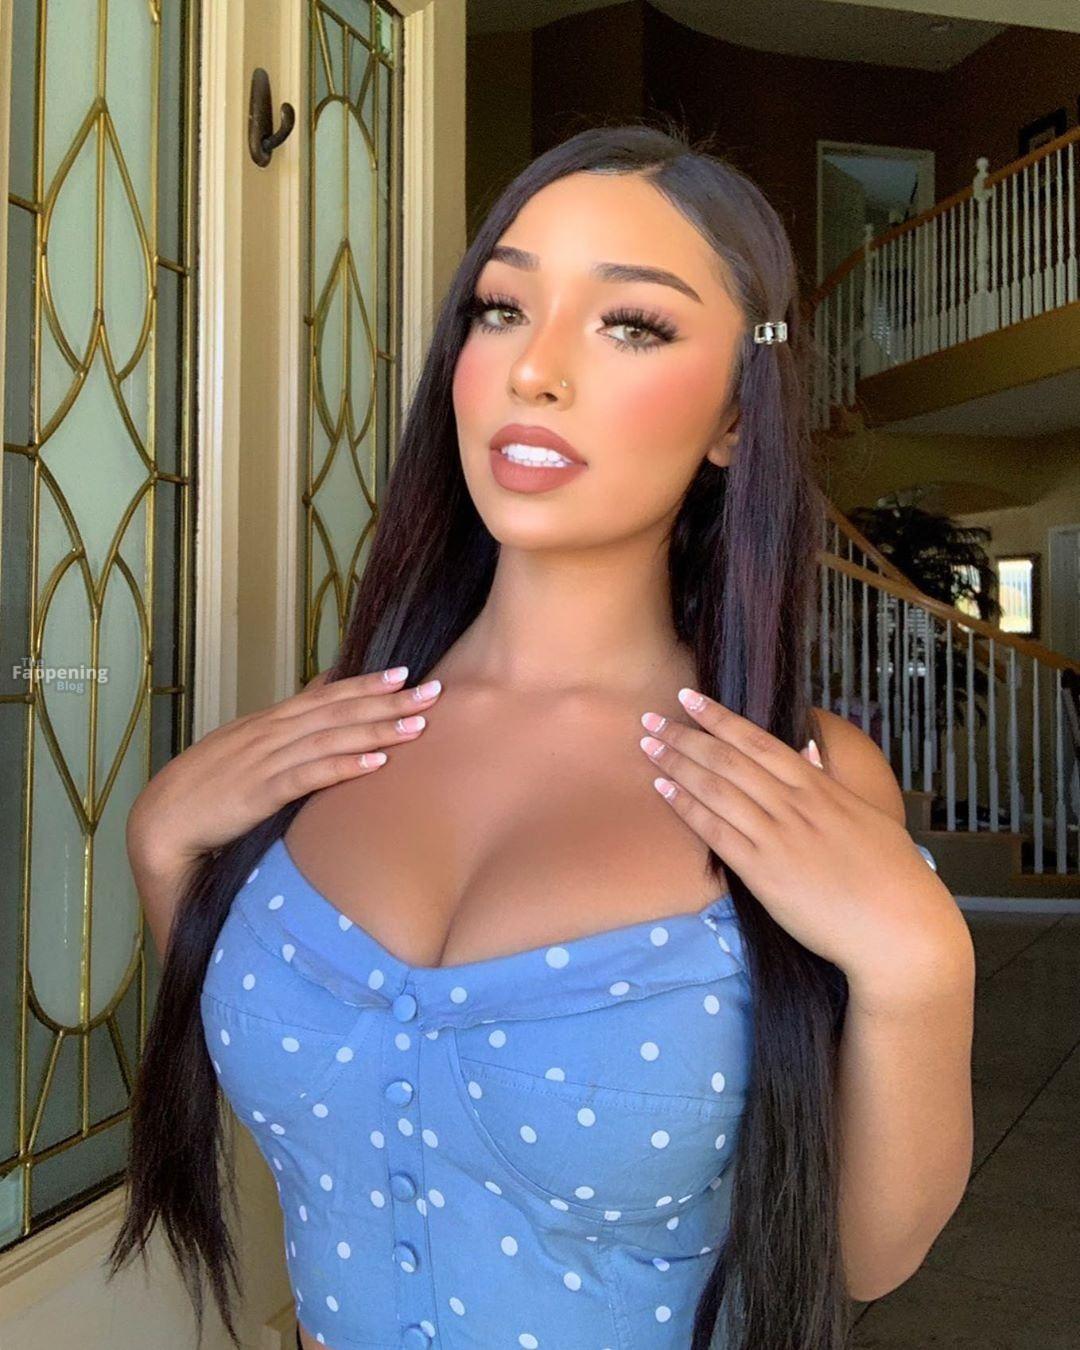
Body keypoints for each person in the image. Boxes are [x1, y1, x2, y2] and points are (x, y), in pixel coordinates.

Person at [107, 122, 975, 1350]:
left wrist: (922, 968)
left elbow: (864, 1254)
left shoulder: (806, 777)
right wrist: (163, 846)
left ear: (737, 415)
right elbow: (299, 1091)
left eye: (633, 325)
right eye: (503, 309)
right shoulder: (335, 730)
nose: (535, 370)